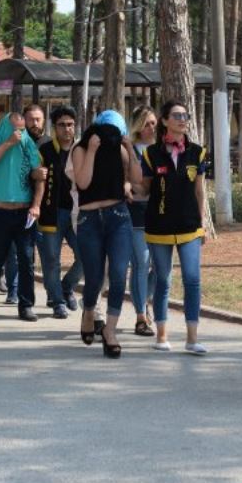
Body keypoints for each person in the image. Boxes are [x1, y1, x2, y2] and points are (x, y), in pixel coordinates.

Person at [70, 110, 142, 358]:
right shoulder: (80, 149)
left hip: (118, 216)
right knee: (94, 278)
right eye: (105, 130)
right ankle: (89, 311)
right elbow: (83, 183)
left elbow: (138, 179)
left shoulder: (119, 150)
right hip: (90, 219)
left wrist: (130, 151)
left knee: (120, 273)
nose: (109, 136)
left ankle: (110, 331)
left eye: (115, 132)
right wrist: (91, 150)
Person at [141, 101, 208, 355]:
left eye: (185, 115)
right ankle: (161, 335)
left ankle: (192, 339)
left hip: (190, 226)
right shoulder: (151, 153)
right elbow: (145, 188)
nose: (182, 119)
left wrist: (201, 225)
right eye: (176, 115)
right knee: (163, 279)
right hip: (159, 226)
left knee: (193, 279)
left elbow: (199, 191)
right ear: (165, 121)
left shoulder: (198, 152)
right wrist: (128, 185)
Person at [0, 112, 45, 322]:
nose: (19, 134)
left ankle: (26, 305)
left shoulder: (29, 145)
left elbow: (40, 176)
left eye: (21, 130)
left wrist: (36, 205)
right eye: (15, 129)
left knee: (26, 259)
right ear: (6, 128)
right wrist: (8, 143)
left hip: (23, 213)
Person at [36, 105, 83, 319]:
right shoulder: (45, 150)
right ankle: (57, 301)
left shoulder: (82, 150)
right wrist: (35, 175)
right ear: (54, 127)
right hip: (51, 213)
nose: (67, 129)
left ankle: (67, 286)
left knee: (86, 256)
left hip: (78, 214)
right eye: (62, 125)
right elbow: (33, 179)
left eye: (70, 125)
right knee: (51, 259)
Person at [127, 105, 158, 337]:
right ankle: (141, 316)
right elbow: (133, 187)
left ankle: (146, 299)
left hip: (161, 214)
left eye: (154, 123)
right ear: (138, 125)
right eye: (147, 123)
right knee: (141, 264)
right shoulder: (130, 150)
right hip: (136, 212)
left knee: (160, 266)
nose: (151, 128)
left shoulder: (162, 150)